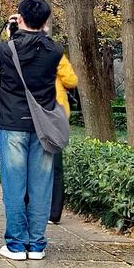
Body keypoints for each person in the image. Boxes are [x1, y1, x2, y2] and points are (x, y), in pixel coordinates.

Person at [0, 0, 66, 261]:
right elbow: (39, 48)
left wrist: (12, 34)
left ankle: (15, 244)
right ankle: (36, 245)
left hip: (13, 123)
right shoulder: (55, 50)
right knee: (41, 186)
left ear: (20, 18)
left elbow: (1, 72)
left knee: (14, 186)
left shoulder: (3, 50)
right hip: (44, 126)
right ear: (45, 22)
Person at [49, 53, 79, 224]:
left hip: (33, 114)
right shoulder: (56, 54)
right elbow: (71, 80)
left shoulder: (24, 51)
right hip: (56, 113)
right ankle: (54, 212)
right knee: (55, 166)